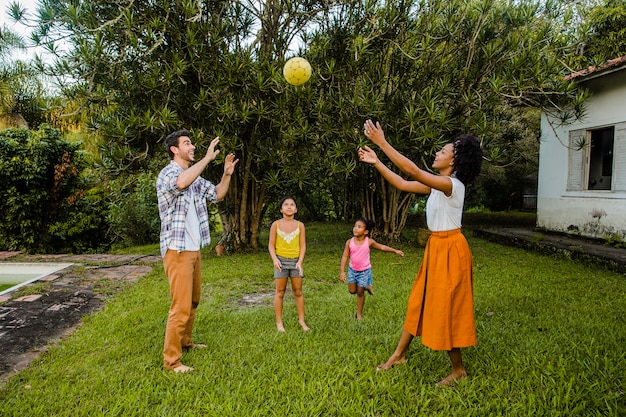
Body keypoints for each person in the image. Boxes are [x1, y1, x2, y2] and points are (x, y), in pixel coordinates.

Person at [359, 119, 482, 386]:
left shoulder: (452, 186)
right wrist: (377, 162)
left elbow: (413, 171)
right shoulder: (438, 185)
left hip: (451, 249)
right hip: (436, 248)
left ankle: (458, 369)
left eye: (443, 151)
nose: (438, 153)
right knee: (419, 301)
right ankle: (398, 355)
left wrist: (381, 142)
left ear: (455, 161)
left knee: (446, 307)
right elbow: (404, 183)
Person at [156, 129, 238, 373]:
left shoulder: (194, 178)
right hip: (177, 250)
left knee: (192, 302)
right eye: (187, 143)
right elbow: (181, 183)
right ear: (174, 149)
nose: (192, 147)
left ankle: (185, 342)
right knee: (179, 307)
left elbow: (217, 195)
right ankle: (172, 362)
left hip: (193, 250)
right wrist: (207, 159)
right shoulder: (169, 173)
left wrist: (226, 174)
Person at [339, 218, 404, 320]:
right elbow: (344, 257)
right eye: (355, 226)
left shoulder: (369, 242)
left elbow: (382, 247)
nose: (355, 228)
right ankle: (367, 286)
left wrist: (395, 251)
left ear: (366, 232)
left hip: (364, 271)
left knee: (360, 293)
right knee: (352, 291)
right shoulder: (349, 242)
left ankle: (359, 314)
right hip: (352, 270)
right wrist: (342, 272)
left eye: (359, 227)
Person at [268, 197, 309, 332]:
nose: (289, 207)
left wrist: (300, 262)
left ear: (296, 209)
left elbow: (303, 246)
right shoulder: (276, 225)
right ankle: (279, 323)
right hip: (281, 261)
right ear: (281, 209)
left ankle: (302, 321)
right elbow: (271, 245)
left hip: (296, 262)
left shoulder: (300, 225)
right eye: (286, 205)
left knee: (298, 291)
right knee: (280, 292)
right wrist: (275, 260)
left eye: (292, 205)